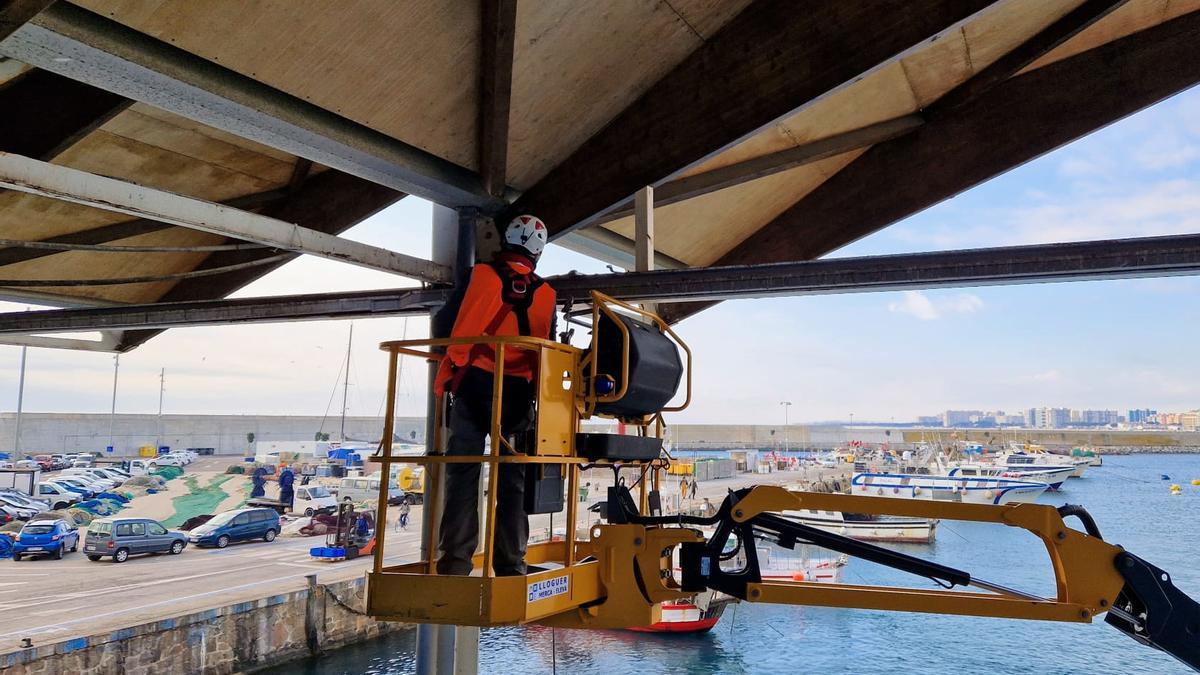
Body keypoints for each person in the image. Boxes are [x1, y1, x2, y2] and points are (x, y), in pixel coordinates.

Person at [432, 215, 555, 577]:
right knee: (513, 481)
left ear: (506, 240)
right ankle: (511, 563)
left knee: (464, 475)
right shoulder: (546, 293)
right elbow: (547, 349)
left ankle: (455, 563)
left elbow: (445, 327)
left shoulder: (481, 276)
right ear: (538, 252)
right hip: (517, 394)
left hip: (474, 385)